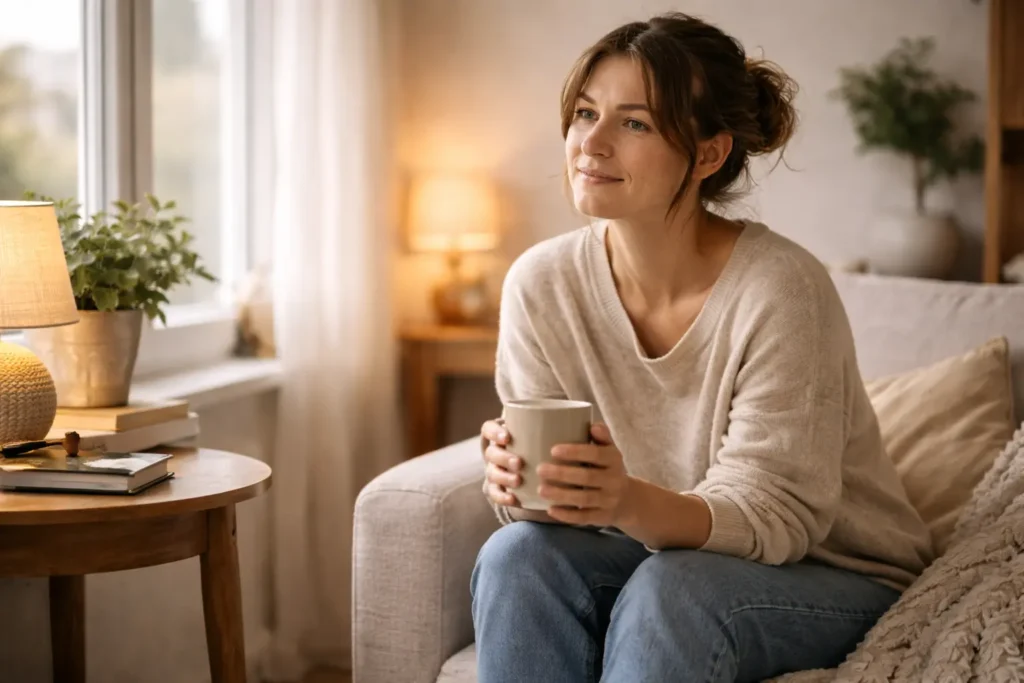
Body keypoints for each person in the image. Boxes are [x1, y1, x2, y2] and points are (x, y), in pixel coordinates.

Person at [472, 12, 934, 683]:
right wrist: (516, 481)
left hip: (833, 572)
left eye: (633, 123)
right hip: (662, 555)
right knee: (517, 554)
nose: (590, 143)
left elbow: (776, 515)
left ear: (709, 153)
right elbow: (548, 499)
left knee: (675, 591)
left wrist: (625, 500)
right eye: (583, 113)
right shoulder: (540, 284)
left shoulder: (782, 289)